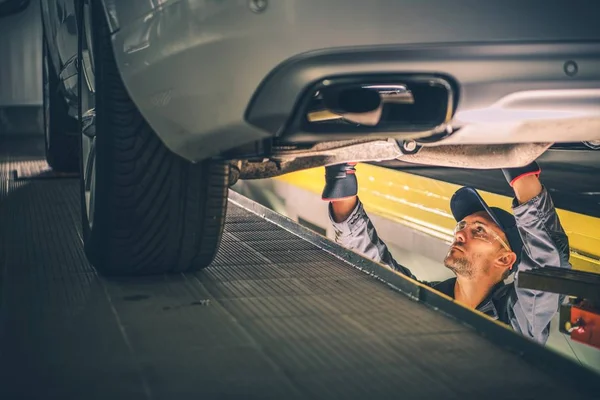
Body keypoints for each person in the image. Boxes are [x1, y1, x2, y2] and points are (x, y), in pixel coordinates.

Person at [322, 161, 571, 344]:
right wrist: (343, 174)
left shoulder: (518, 327)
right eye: (462, 226)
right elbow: (371, 262)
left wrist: (520, 167)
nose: (461, 234)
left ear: (505, 258)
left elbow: (548, 265)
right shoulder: (428, 298)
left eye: (480, 230)